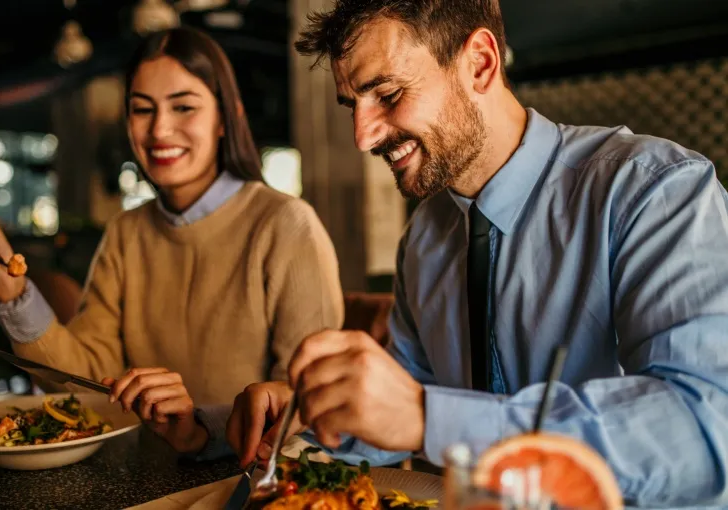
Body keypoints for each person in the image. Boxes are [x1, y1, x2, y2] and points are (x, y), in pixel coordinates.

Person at [222, 1, 728, 507]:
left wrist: (426, 416)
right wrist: (315, 417)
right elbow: (407, 396)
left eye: (388, 93)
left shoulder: (652, 191)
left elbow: (705, 425)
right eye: (352, 104)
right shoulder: (424, 237)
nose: (362, 136)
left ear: (480, 63)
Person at [0, 27, 343, 459]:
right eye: (143, 110)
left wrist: (202, 428)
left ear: (225, 118)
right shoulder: (126, 233)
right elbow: (83, 381)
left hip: (261, 486)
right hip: (149, 479)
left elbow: (308, 402)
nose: (160, 128)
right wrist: (13, 292)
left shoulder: (286, 225)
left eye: (183, 107)